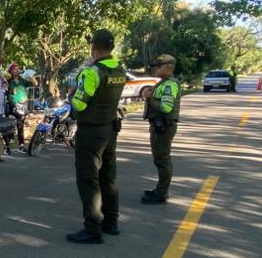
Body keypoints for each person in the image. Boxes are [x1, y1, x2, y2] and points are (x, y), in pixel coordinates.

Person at [66, 29, 128, 244]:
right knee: (108, 176)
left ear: (93, 47)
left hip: (91, 131)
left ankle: (92, 228)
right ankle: (111, 222)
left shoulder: (91, 73)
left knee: (88, 178)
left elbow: (80, 104)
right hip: (110, 129)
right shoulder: (119, 69)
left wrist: (72, 96)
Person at [142, 54, 181, 204]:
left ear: (167, 67)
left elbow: (166, 107)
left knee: (162, 159)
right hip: (159, 126)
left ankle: (161, 193)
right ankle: (160, 190)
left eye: (158, 66)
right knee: (160, 159)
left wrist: (149, 98)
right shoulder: (164, 82)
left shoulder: (170, 84)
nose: (155, 69)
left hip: (164, 127)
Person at [5, 62, 31, 149]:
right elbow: (6, 93)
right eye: (15, 69)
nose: (18, 70)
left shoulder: (23, 81)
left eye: (18, 69)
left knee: (20, 125)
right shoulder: (8, 82)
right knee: (9, 125)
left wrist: (31, 76)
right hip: (12, 106)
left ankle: (21, 144)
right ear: (11, 72)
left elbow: (35, 84)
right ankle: (9, 144)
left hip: (22, 106)